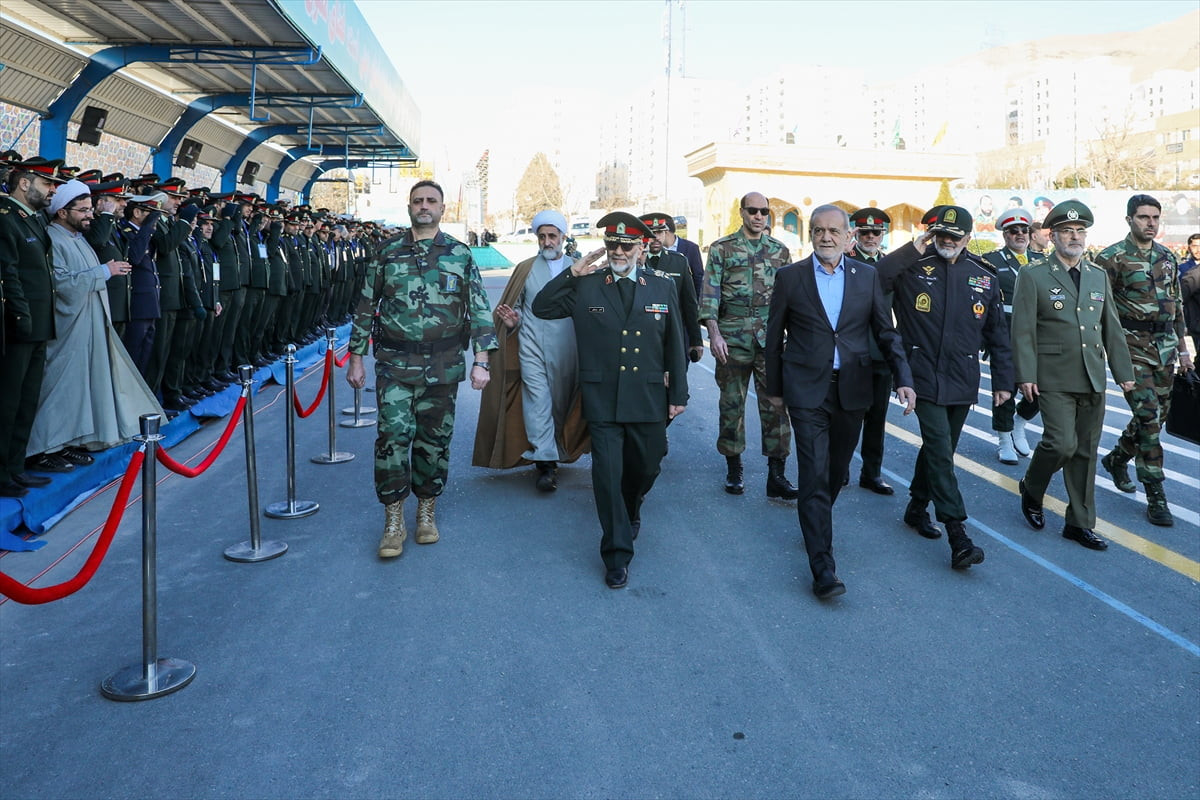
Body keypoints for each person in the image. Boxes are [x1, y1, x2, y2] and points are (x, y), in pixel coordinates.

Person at [765, 205, 915, 599]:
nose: (826, 237)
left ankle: (816, 518)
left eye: (834, 231)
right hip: (806, 390)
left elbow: (886, 332)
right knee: (813, 473)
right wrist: (775, 390)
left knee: (836, 471)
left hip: (853, 387)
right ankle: (823, 568)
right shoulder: (790, 277)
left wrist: (904, 378)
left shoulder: (867, 276)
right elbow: (774, 336)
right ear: (810, 235)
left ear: (849, 237)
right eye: (819, 231)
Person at [531, 212, 687, 589]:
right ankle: (616, 553)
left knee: (647, 465)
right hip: (602, 397)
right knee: (606, 474)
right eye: (612, 244)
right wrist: (571, 274)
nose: (618, 251)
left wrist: (678, 393)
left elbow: (675, 341)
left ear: (640, 248)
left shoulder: (660, 286)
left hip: (648, 395)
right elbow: (542, 307)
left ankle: (631, 505)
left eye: (626, 245)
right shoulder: (587, 285)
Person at [346, 180, 497, 559]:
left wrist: (482, 360)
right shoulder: (387, 252)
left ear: (443, 209)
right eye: (418, 201)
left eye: (431, 201)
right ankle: (393, 519)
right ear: (409, 207)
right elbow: (365, 306)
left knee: (434, 441)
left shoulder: (459, 254)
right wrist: (356, 356)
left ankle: (426, 511)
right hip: (395, 366)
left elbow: (479, 308)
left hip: (444, 366)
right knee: (392, 438)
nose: (424, 206)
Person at [876, 206, 1013, 569]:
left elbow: (998, 334)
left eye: (954, 236)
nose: (946, 241)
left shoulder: (984, 274)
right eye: (941, 234)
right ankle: (958, 533)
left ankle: (917, 506)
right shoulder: (912, 266)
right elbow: (877, 277)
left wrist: (1003, 382)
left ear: (968, 238)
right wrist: (913, 248)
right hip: (920, 375)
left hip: (962, 377)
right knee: (939, 449)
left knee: (942, 448)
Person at [1013, 200, 1135, 549]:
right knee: (1061, 443)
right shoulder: (1034, 274)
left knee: (1085, 451)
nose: (1075, 237)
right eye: (1067, 231)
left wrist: (1124, 373)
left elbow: (1111, 327)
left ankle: (1079, 523)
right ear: (1052, 236)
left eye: (1080, 231)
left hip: (1092, 375)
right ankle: (1032, 487)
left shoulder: (1097, 275)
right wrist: (1025, 374)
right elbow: (1022, 329)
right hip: (1052, 375)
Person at [27, 179, 161, 462]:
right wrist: (104, 271)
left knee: (81, 388)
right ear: (62, 212)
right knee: (60, 388)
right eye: (83, 210)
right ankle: (46, 448)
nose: (90, 215)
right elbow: (61, 284)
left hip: (88, 326)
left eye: (90, 209)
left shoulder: (77, 238)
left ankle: (71, 440)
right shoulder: (53, 238)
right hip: (67, 330)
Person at [473, 209, 589, 490]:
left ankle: (559, 449)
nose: (547, 242)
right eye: (542, 236)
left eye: (552, 236)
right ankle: (545, 463)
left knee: (563, 403)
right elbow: (516, 307)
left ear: (563, 237)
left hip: (570, 349)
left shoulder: (579, 268)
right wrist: (514, 321)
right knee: (538, 402)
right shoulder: (525, 268)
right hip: (532, 345)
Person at [1095, 195, 1192, 527]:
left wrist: (1183, 350)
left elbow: (1176, 305)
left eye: (1155, 217)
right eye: (1143, 217)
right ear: (1129, 220)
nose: (1150, 223)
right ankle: (1156, 495)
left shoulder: (1167, 256)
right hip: (1130, 348)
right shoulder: (1111, 258)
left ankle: (1117, 457)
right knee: (1149, 419)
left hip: (1165, 348)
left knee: (1157, 417)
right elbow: (1099, 308)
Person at [699, 192, 797, 500]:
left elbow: (792, 298)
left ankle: (776, 476)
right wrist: (714, 334)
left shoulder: (780, 251)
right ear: (742, 212)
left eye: (763, 211)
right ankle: (734, 469)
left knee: (777, 407)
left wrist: (793, 338)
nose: (758, 216)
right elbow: (710, 294)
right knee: (732, 406)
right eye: (752, 210)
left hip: (771, 340)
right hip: (732, 338)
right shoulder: (722, 248)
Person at [0, 158, 67, 496]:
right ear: (24, 183)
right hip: (18, 326)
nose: (52, 190)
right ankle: (2, 474)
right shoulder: (6, 218)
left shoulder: (34, 220)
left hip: (39, 324)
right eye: (46, 183)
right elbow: (8, 273)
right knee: (8, 403)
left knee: (27, 402)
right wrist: (21, 318)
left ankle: (15, 467)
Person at [983, 207, 1040, 464]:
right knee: (1005, 388)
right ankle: (1004, 440)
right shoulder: (991, 261)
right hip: (1005, 333)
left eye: (1023, 230)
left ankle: (1020, 422)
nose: (1019, 234)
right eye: (1013, 231)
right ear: (1005, 235)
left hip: (1037, 337)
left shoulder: (1041, 260)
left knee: (1042, 388)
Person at [847, 207, 897, 494]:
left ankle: (871, 473)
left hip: (880, 353)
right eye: (864, 232)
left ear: (883, 234)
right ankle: (840, 466)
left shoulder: (890, 265)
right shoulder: (844, 260)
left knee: (877, 418)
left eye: (875, 232)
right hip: (850, 353)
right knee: (847, 416)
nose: (870, 237)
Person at [639, 212, 703, 364]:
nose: (656, 237)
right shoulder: (634, 262)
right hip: (642, 337)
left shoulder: (679, 262)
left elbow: (689, 303)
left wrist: (696, 340)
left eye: (660, 232)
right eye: (650, 233)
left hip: (673, 335)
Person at [656, 213, 705, 302]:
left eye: (657, 232)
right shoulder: (654, 250)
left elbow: (698, 278)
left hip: (683, 302)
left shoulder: (691, 248)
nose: (655, 237)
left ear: (665, 232)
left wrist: (697, 303)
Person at [1180, 232, 1200, 355]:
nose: (1198, 250)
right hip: (1195, 321)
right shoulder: (1183, 270)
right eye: (1195, 246)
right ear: (1189, 248)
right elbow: (1180, 297)